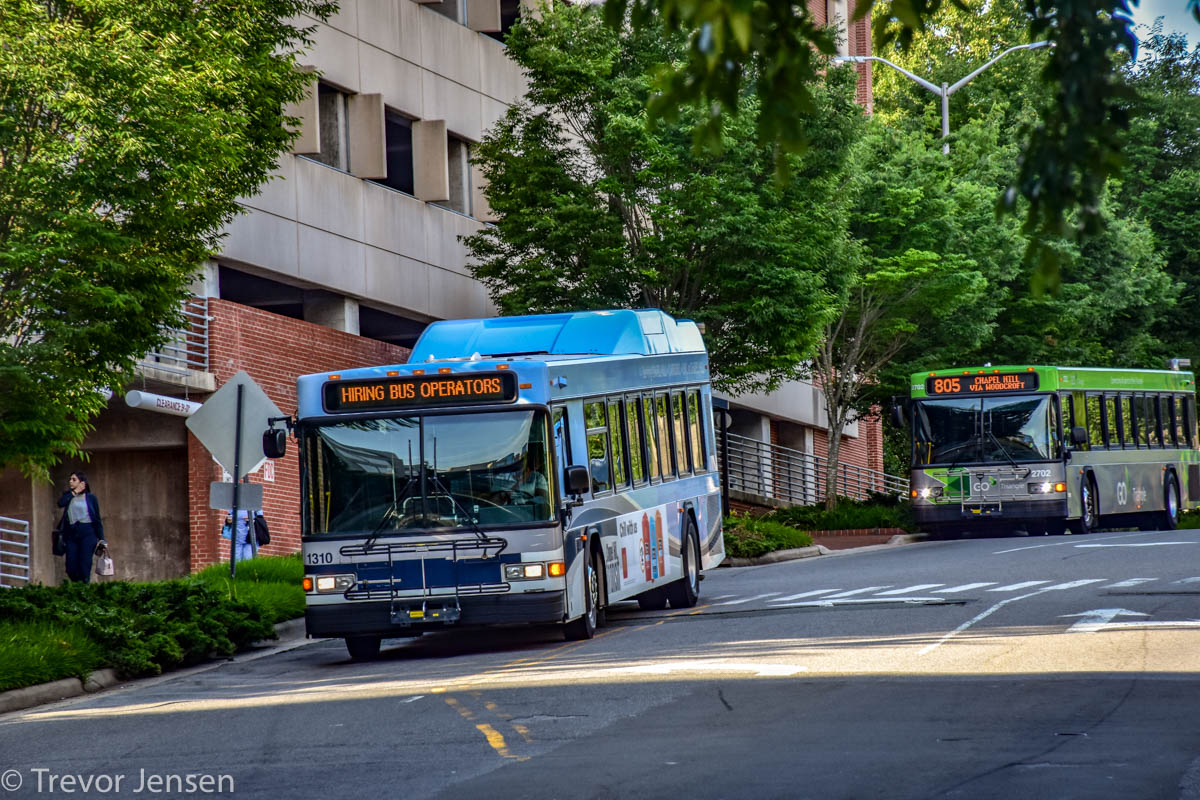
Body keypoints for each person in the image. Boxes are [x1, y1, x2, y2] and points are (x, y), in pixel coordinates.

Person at [56, 471, 106, 583]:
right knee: (70, 567)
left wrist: (102, 539)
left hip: (88, 533)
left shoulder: (91, 498)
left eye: (74, 479)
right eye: (70, 479)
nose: (70, 481)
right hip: (72, 533)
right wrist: (74, 492)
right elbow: (60, 503)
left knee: (85, 564)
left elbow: (97, 520)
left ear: (82, 482)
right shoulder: (68, 496)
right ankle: (77, 583)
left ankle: (84, 587)